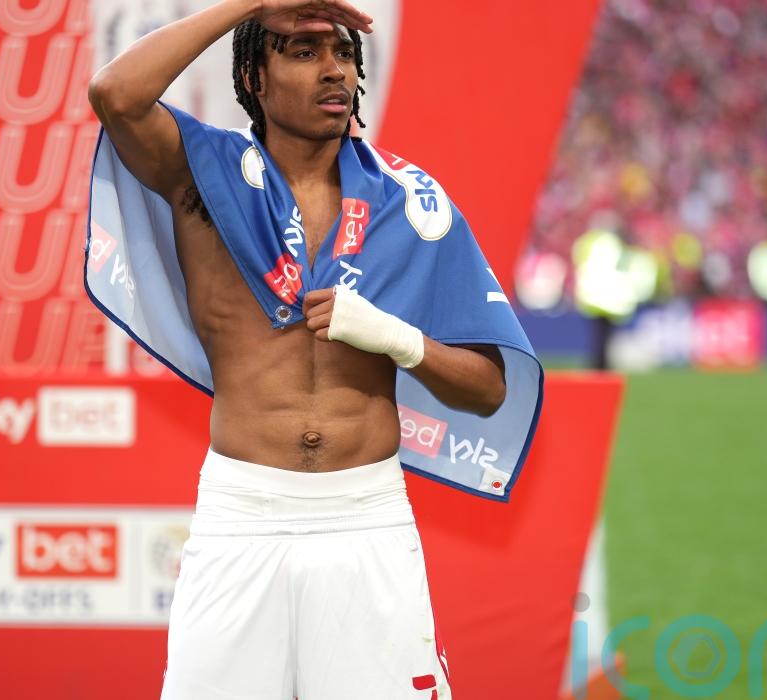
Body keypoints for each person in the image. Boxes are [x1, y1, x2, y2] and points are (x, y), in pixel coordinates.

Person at [85, 1, 542, 697]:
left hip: (367, 516)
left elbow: (487, 390)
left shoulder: (409, 203)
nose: (335, 71)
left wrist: (398, 339)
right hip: (242, 514)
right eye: (304, 52)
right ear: (254, 78)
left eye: (344, 54)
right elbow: (115, 93)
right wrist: (253, 4)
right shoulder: (203, 173)